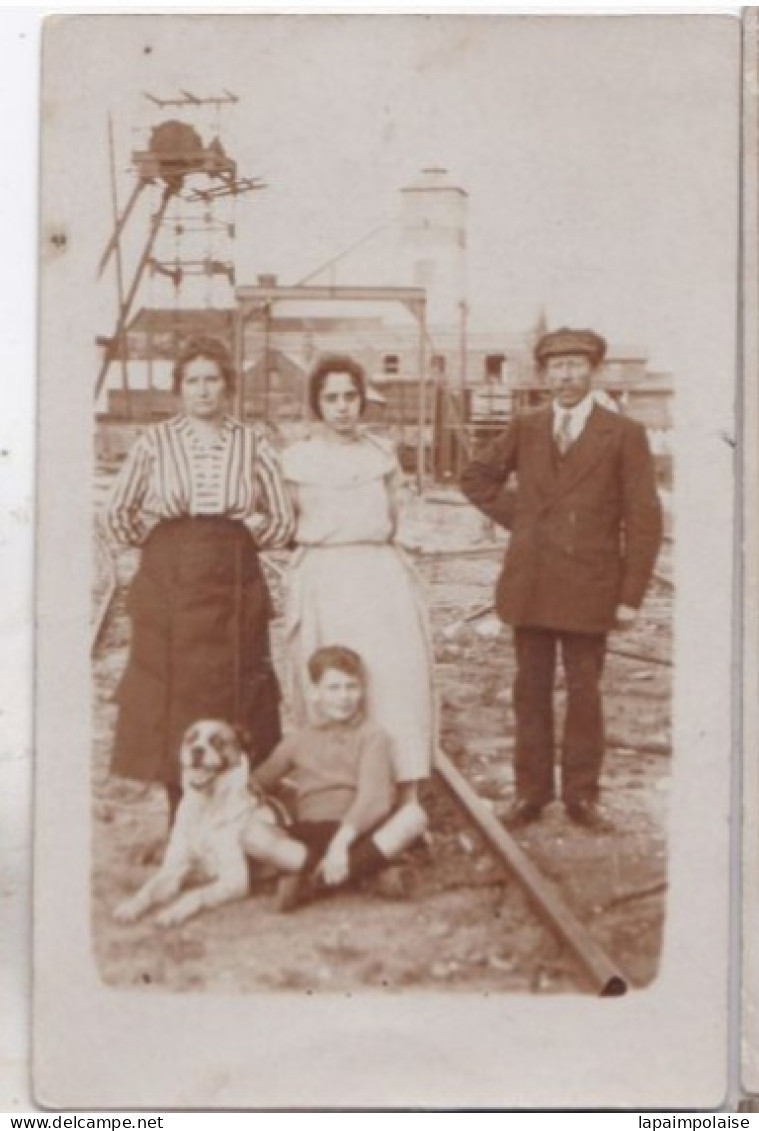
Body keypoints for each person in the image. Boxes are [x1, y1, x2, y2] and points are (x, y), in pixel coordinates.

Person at [460, 327, 663, 831]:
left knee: (584, 693)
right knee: (528, 691)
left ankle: (581, 796)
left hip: (590, 586)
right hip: (531, 582)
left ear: (594, 371)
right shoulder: (527, 426)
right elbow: (475, 477)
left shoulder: (624, 433)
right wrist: (524, 518)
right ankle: (530, 793)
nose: (566, 375)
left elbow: (644, 519)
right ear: (544, 373)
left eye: (576, 365)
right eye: (557, 366)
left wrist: (630, 597)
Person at [104, 336, 295, 827]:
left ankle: (237, 813)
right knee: (174, 692)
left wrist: (247, 532)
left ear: (228, 387)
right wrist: (157, 540)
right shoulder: (156, 441)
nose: (203, 391)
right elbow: (117, 511)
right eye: (193, 381)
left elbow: (282, 518)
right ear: (179, 389)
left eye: (212, 380)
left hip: (234, 575)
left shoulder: (251, 442)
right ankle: (178, 816)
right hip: (171, 576)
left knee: (236, 688)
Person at [281, 354, 434, 805]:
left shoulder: (381, 456)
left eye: (351, 396)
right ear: (317, 404)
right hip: (324, 581)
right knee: (330, 686)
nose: (343, 407)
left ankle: (405, 797)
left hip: (379, 579)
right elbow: (282, 524)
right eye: (331, 398)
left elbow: (396, 517)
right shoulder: (294, 460)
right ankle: (332, 798)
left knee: (395, 682)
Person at [248, 645, 428, 911]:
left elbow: (374, 799)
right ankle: (366, 875)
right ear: (314, 693)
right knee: (249, 833)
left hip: (358, 833)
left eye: (351, 687)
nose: (343, 697)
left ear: (362, 690)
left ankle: (312, 882)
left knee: (414, 816)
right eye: (333, 688)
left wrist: (340, 845)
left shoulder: (372, 736)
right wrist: (261, 798)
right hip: (310, 835)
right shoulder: (298, 740)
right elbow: (258, 781)